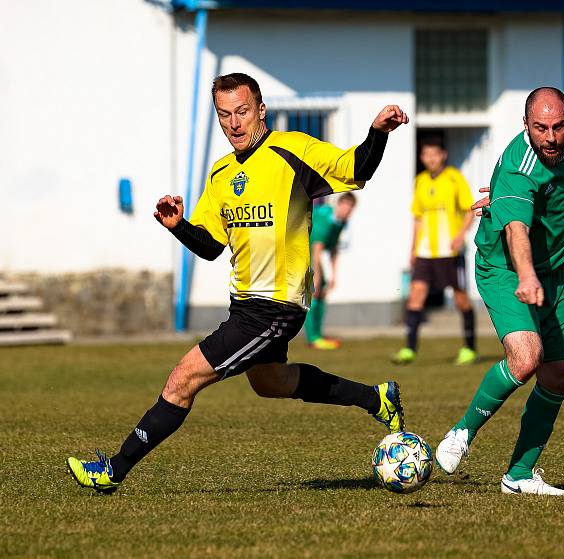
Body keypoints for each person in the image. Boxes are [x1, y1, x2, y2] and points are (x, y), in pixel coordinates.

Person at [66, 73, 408, 493]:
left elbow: (357, 168)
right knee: (272, 384)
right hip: (243, 305)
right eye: (224, 115)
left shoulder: (292, 149)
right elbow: (211, 246)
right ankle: (376, 398)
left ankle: (113, 470)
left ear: (260, 110)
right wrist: (178, 226)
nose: (234, 123)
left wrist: (377, 132)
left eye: (242, 112)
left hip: (277, 306)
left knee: (183, 378)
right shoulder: (221, 173)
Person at [434, 87, 564, 496]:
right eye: (540, 128)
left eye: (558, 126)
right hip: (505, 269)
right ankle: (461, 433)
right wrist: (527, 276)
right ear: (525, 125)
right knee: (527, 356)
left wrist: (496, 194)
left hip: (553, 272)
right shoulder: (522, 167)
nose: (550, 137)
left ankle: (519, 475)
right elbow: (516, 231)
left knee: (559, 374)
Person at [392, 137, 477, 366]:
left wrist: (460, 236)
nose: (431, 158)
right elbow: (418, 218)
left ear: (443, 155)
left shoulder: (454, 178)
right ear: (422, 157)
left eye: (435, 154)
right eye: (426, 154)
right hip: (424, 252)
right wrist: (412, 248)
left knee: (460, 299)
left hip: (450, 251)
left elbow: (469, 211)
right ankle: (409, 349)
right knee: (416, 295)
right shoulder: (419, 180)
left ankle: (469, 348)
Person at [305, 193, 357, 349]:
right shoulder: (326, 218)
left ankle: (319, 334)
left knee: (321, 291)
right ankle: (313, 338)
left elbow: (333, 249)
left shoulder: (341, 223)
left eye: (350, 208)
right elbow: (317, 248)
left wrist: (334, 275)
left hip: (313, 255)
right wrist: (317, 276)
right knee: (313, 291)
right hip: (304, 253)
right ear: (339, 204)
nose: (347, 211)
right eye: (345, 206)